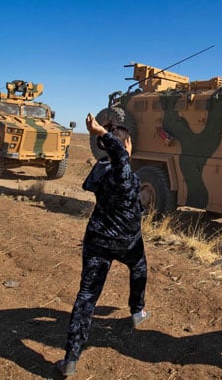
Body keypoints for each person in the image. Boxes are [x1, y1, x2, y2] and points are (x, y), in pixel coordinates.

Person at [56, 113, 149, 377]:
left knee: (87, 297)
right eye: (128, 142)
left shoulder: (100, 168)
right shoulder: (119, 170)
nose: (130, 146)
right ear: (124, 144)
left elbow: (100, 174)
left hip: (97, 240)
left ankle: (70, 360)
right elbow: (120, 155)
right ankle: (137, 311)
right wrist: (100, 132)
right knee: (139, 269)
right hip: (126, 242)